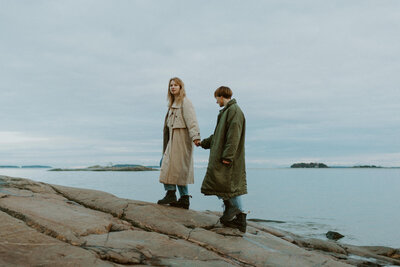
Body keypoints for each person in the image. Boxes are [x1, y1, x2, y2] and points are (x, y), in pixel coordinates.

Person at [199, 86, 247, 232]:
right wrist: (203, 143)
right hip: (223, 156)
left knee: (232, 188)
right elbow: (218, 136)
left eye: (216, 98)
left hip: (228, 158)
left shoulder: (234, 111)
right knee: (225, 187)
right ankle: (232, 215)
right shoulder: (227, 112)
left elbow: (234, 136)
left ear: (221, 96)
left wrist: (228, 156)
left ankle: (240, 219)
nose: (216, 102)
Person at [158, 77, 201, 209]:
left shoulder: (185, 102)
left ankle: (171, 193)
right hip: (172, 141)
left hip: (182, 142)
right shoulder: (172, 105)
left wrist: (196, 137)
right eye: (171, 85)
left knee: (173, 167)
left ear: (181, 87)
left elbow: (192, 121)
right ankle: (184, 198)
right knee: (177, 170)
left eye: (176, 85)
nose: (173, 87)